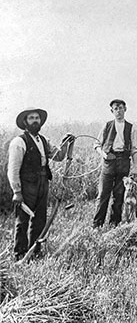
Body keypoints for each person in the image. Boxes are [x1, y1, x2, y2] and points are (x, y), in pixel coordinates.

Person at [8, 108, 74, 260]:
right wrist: (17, 192)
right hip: (26, 184)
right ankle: (20, 254)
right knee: (23, 220)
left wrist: (65, 142)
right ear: (25, 122)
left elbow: (59, 156)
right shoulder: (19, 142)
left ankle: (35, 251)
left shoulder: (43, 140)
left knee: (40, 219)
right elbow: (13, 169)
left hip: (43, 182)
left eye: (37, 117)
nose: (35, 120)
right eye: (31, 118)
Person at [93, 99, 137, 228]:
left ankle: (115, 224)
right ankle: (97, 225)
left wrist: (135, 167)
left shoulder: (131, 127)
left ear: (125, 109)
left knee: (119, 195)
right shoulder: (107, 125)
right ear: (112, 111)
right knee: (103, 194)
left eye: (120, 108)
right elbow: (96, 144)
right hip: (109, 163)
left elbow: (134, 149)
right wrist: (104, 154)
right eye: (115, 108)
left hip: (124, 162)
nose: (118, 111)